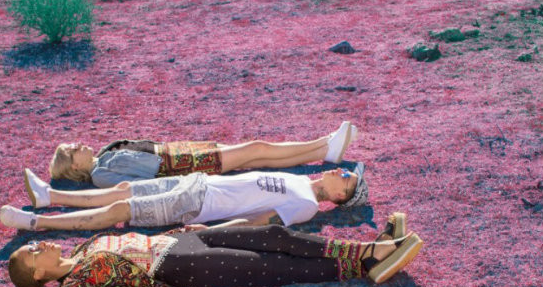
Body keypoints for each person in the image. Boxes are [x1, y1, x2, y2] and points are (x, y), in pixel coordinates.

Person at [7, 214, 421, 287]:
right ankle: (368, 257)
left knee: (273, 235)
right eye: (34, 252)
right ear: (38, 275)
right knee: (274, 268)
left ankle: (366, 253)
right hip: (178, 269)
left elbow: (137, 240)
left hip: (181, 242)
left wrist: (183, 232)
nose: (41, 245)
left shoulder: (84, 248)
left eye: (35, 243)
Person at [0, 165, 371, 235]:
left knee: (119, 211)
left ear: (340, 197)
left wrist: (210, 232)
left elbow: (259, 221)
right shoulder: (300, 181)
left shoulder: (307, 205)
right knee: (124, 189)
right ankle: (49, 196)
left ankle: (37, 222)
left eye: (346, 178)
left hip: (198, 205)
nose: (341, 171)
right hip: (198, 183)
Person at [47, 122, 358, 188]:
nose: (78, 144)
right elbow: (138, 186)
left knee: (256, 157)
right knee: (256, 148)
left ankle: (325, 150)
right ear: (74, 167)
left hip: (182, 153)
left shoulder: (104, 154)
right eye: (72, 150)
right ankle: (323, 145)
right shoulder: (100, 175)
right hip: (180, 166)